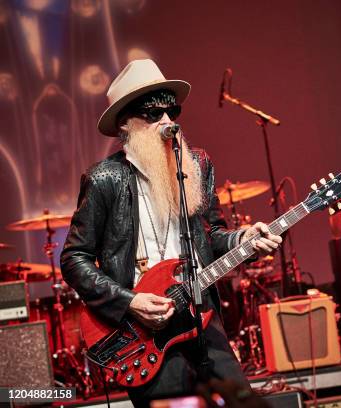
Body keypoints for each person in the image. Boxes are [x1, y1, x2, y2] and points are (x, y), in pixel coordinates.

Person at [60, 59, 282, 407]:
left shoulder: (196, 165)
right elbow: (74, 258)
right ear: (125, 123)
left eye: (171, 111)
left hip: (199, 314)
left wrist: (243, 240)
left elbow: (213, 236)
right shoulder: (104, 179)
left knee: (243, 403)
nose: (167, 122)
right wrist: (129, 301)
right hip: (144, 332)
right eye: (152, 114)